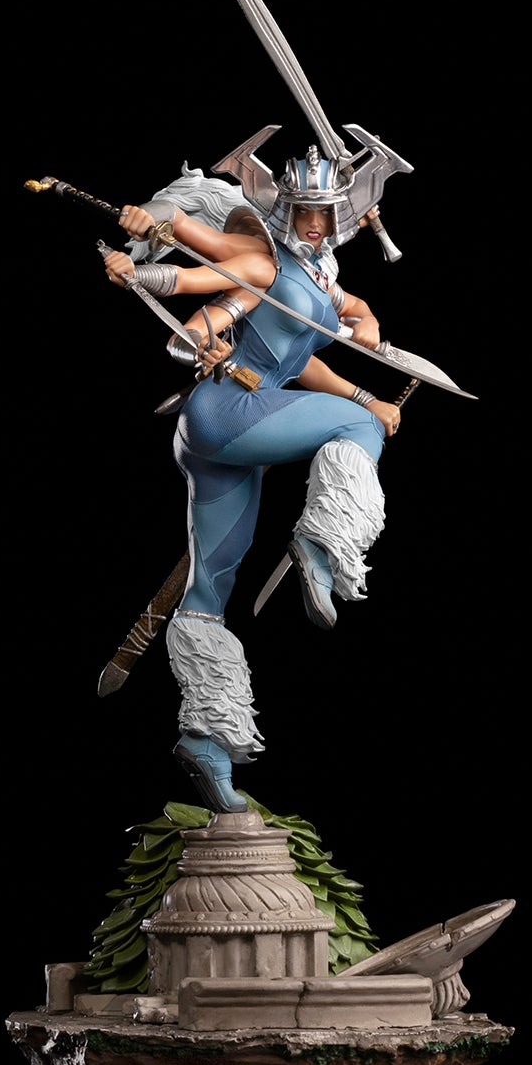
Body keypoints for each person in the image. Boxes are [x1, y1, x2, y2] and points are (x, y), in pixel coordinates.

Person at [101, 146, 405, 815]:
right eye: (303, 213)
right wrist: (144, 247)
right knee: (356, 430)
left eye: (325, 214)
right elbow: (191, 262)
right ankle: (324, 543)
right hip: (229, 412)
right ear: (283, 210)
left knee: (208, 591)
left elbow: (315, 348)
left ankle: (206, 740)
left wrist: (367, 332)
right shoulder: (261, 260)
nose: (315, 226)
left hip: (222, 437)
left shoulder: (320, 278)